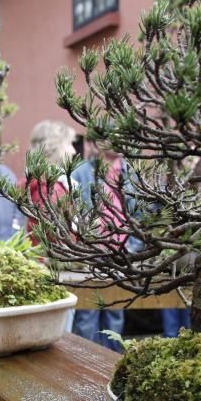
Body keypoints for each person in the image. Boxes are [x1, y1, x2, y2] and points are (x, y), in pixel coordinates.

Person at [69, 142, 127, 351]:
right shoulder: (81, 173)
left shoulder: (129, 172)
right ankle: (86, 361)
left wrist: (133, 247)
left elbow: (142, 213)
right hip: (90, 252)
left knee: (116, 310)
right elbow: (73, 212)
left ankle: (113, 362)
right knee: (87, 311)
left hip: (121, 253)